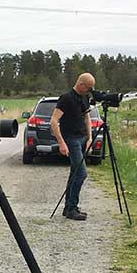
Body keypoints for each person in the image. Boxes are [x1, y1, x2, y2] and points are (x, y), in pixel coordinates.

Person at [51, 72, 96, 221]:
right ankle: (72, 208)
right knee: (81, 173)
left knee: (74, 173)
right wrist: (61, 142)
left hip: (83, 138)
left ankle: (69, 207)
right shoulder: (66, 98)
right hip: (71, 140)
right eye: (89, 88)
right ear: (81, 84)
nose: (90, 91)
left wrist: (89, 137)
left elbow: (86, 117)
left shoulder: (85, 97)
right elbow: (54, 120)